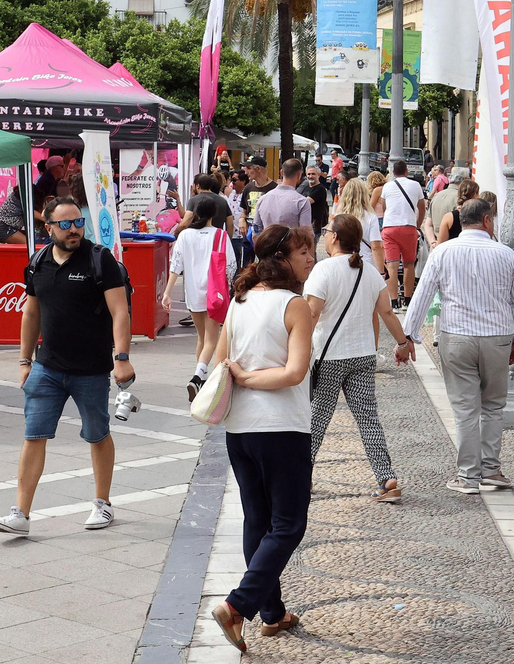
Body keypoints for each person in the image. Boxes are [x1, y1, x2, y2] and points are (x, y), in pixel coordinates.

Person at [0, 197, 132, 536]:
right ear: (48, 227)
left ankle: (103, 503)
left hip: (92, 368)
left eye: (78, 222)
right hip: (47, 367)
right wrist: (25, 361)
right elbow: (31, 312)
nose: (74, 230)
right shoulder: (38, 262)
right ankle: (20, 514)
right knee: (33, 435)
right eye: (65, 224)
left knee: (97, 434)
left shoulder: (100, 260)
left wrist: (122, 358)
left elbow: (120, 311)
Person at [208, 225, 317, 651]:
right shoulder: (294, 305)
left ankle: (271, 614)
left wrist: (241, 376)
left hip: (240, 430)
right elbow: (294, 373)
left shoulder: (241, 301)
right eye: (302, 251)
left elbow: (221, 362)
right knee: (288, 524)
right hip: (282, 427)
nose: (311, 258)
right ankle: (237, 606)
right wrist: (252, 377)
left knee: (258, 518)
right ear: (280, 258)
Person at [399, 198, 514, 494]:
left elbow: (422, 294)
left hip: (456, 336)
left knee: (465, 408)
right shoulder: (506, 254)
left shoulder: (443, 252)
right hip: (497, 337)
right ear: (487, 220)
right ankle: (491, 469)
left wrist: (409, 336)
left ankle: (468, 476)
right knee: (493, 406)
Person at [305, 215, 413, 503]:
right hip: (363, 354)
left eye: (327, 231)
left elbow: (312, 316)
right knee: (368, 419)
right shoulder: (370, 272)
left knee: (317, 420)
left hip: (330, 357)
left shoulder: (323, 270)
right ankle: (387, 479)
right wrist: (402, 343)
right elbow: (387, 313)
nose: (324, 235)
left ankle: (302, 477)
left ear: (335, 238)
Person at [165, 194, 238, 400]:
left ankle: (201, 378)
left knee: (201, 338)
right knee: (211, 341)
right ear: (214, 214)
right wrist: (230, 287)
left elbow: (175, 266)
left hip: (193, 293)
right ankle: (197, 377)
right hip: (214, 294)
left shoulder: (185, 235)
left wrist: (168, 293)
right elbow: (231, 267)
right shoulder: (220, 235)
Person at [378, 160, 426, 307]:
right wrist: (417, 225)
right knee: (409, 264)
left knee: (391, 266)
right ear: (407, 171)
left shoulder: (387, 186)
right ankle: (407, 299)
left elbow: (384, 207)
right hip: (408, 227)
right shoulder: (415, 185)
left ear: (393, 173)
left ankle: (393, 301)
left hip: (389, 228)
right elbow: (422, 208)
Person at [253, 158, 313, 233]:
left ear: (281, 172)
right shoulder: (302, 202)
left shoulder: (263, 199)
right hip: (291, 243)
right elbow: (306, 233)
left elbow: (256, 231)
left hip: (266, 243)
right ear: (299, 175)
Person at [435, 179, 480, 244]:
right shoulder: (480, 215)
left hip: (453, 252)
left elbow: (440, 244)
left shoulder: (449, 217)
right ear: (475, 195)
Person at [303, 164, 331, 234]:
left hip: (314, 228)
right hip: (304, 225)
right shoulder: (305, 187)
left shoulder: (320, 189)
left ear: (318, 175)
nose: (310, 176)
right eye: (308, 174)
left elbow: (306, 202)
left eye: (313, 174)